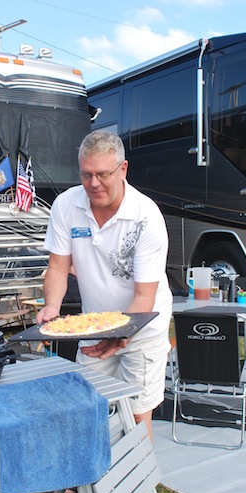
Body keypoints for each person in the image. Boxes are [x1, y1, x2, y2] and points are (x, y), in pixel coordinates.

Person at [35, 130, 173, 439]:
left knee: (137, 414)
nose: (93, 184)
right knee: (87, 405)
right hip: (92, 325)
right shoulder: (66, 205)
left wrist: (121, 335)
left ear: (123, 169)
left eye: (102, 174)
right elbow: (57, 266)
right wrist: (52, 307)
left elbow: (144, 296)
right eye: (86, 175)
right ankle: (85, 482)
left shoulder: (146, 216)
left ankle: (138, 483)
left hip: (142, 328)